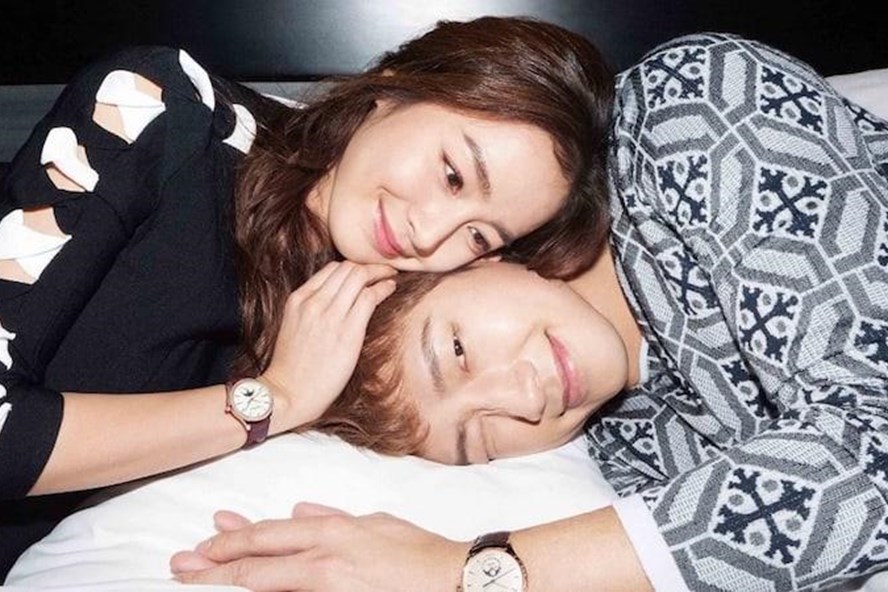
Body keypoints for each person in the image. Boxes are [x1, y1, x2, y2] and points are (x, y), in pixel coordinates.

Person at [171, 32, 888, 591]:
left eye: (457, 352)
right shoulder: (626, 451)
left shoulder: (688, 115)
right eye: (477, 440)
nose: (521, 399)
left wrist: (469, 572)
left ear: (474, 259)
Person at [0, 16, 615, 577]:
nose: (429, 232)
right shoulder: (156, 110)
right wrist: (271, 401)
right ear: (391, 88)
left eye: (479, 234)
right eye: (452, 174)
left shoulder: (380, 315)